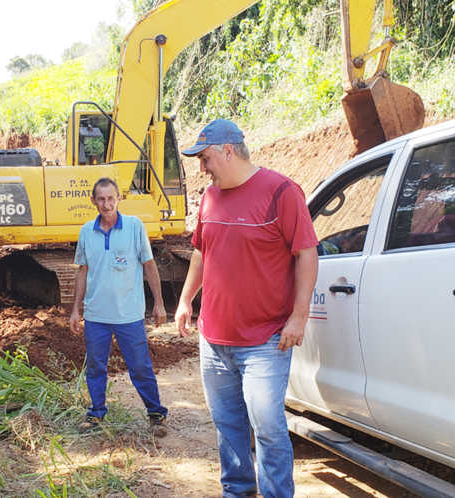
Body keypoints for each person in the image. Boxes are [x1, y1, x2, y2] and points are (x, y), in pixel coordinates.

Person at [175, 119, 318, 498]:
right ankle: (237, 491)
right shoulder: (210, 197)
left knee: (268, 428)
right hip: (215, 339)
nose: (202, 168)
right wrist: (186, 299)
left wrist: (299, 316)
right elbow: (201, 252)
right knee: (228, 426)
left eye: (205, 158)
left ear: (228, 151)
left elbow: (306, 253)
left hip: (265, 340)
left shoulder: (281, 192)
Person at [68, 177, 169, 436]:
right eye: (100, 199)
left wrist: (158, 303)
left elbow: (149, 265)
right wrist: (75, 309)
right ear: (93, 201)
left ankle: (156, 414)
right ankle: (97, 413)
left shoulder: (135, 227)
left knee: (140, 367)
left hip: (129, 315)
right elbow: (82, 271)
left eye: (111, 198)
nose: (106, 204)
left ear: (119, 199)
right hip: (96, 316)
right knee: (95, 367)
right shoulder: (86, 232)